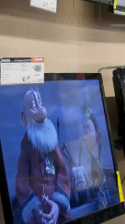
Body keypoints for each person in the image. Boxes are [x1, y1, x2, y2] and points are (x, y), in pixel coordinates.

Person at [15, 89, 71, 224]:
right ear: (24, 116)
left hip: (59, 215)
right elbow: (21, 182)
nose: (41, 110)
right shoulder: (26, 145)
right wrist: (35, 208)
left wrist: (58, 204)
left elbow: (63, 173)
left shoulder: (51, 142)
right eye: (34, 106)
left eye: (40, 103)